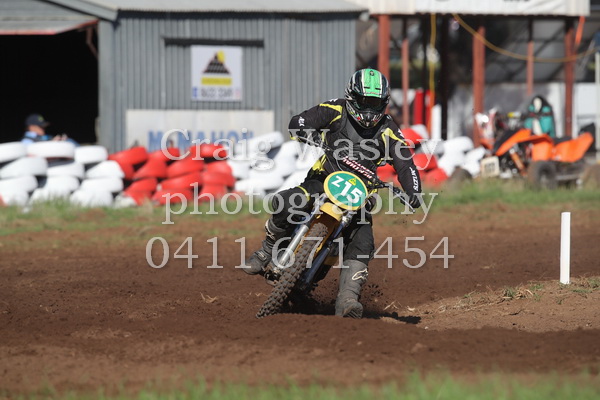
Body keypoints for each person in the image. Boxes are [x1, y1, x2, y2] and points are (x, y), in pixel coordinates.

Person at [244, 68, 423, 319]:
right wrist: (310, 134)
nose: (369, 109)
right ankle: (267, 250)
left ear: (384, 103)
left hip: (359, 195)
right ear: (351, 97)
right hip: (323, 179)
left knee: (363, 243)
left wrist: (414, 191)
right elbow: (299, 121)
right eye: (364, 101)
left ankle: (348, 300)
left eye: (375, 103)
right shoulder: (335, 109)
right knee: (285, 202)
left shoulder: (388, 128)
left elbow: (406, 163)